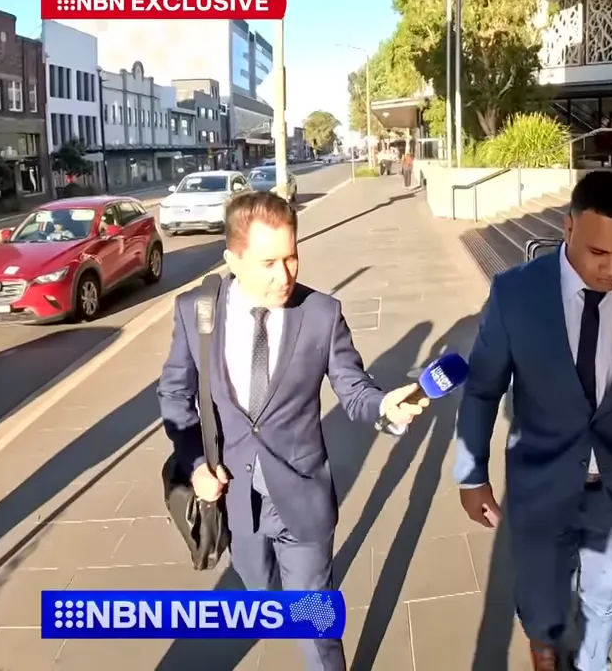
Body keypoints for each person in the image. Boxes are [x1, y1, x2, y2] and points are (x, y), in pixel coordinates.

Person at [453, 170, 612, 671]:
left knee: (605, 606)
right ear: (568, 228)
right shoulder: (516, 294)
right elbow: (483, 387)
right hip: (540, 487)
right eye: (598, 252)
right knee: (540, 601)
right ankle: (544, 644)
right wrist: (471, 475)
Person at [157, 191, 428, 671]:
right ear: (232, 260)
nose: (284, 276)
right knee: (259, 592)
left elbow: (354, 389)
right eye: (268, 263)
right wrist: (196, 464)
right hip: (235, 501)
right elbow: (176, 397)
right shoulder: (196, 311)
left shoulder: (321, 314)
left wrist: (384, 406)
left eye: (291, 257)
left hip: (302, 499)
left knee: (313, 623)